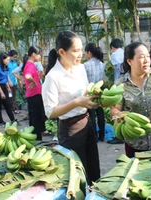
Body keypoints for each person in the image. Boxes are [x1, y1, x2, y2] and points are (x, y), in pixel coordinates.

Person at [42, 30, 100, 183]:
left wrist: (94, 97)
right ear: (61, 52)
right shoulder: (52, 77)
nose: (80, 54)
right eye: (75, 51)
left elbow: (85, 92)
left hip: (87, 123)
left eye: (81, 50)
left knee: (93, 170)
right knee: (77, 176)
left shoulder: (80, 68)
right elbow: (50, 112)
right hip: (70, 130)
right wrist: (76, 103)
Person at [22, 46, 46, 141]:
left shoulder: (29, 64)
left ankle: (33, 136)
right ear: (33, 54)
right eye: (39, 54)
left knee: (33, 116)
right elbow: (28, 76)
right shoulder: (30, 65)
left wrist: (35, 80)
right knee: (36, 117)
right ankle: (37, 138)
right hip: (34, 95)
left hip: (32, 94)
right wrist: (34, 82)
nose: (40, 56)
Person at [83, 43, 106, 142]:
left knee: (92, 115)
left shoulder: (86, 65)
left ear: (89, 53)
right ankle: (102, 135)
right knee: (100, 114)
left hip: (90, 93)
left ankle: (94, 137)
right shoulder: (102, 64)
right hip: (99, 92)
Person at [0, 52, 17, 127]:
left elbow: (4, 78)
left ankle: (13, 120)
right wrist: (1, 93)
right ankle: (1, 122)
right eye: (7, 60)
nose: (8, 61)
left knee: (8, 104)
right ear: (2, 59)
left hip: (4, 87)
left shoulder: (4, 67)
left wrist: (7, 87)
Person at [7, 50, 20, 114]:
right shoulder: (7, 62)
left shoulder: (15, 63)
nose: (15, 58)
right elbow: (6, 73)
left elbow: (17, 71)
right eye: (14, 57)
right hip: (8, 82)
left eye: (15, 57)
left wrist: (19, 80)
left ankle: (13, 109)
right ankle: (13, 109)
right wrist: (9, 81)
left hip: (14, 82)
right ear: (10, 56)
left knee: (13, 96)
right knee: (10, 96)